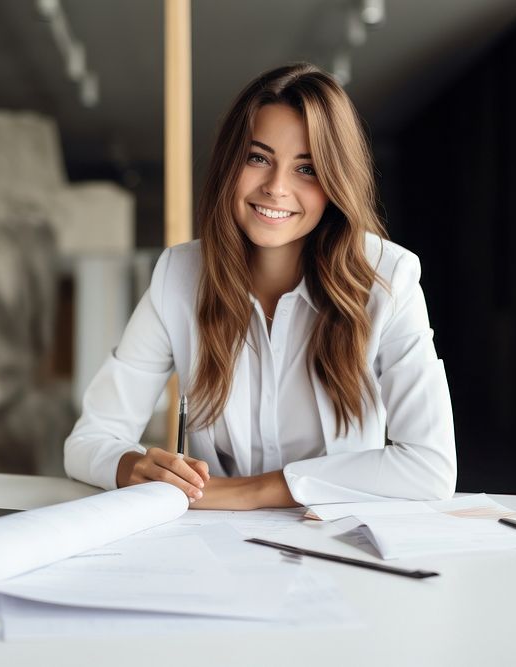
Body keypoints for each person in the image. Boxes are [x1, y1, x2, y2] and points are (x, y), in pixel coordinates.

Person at [64, 63, 456, 510]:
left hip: (338, 545)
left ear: (336, 183)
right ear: (231, 163)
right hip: (216, 546)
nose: (276, 188)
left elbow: (431, 466)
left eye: (306, 168)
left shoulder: (388, 277)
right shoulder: (179, 275)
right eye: (258, 158)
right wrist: (132, 466)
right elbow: (88, 440)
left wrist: (248, 492)